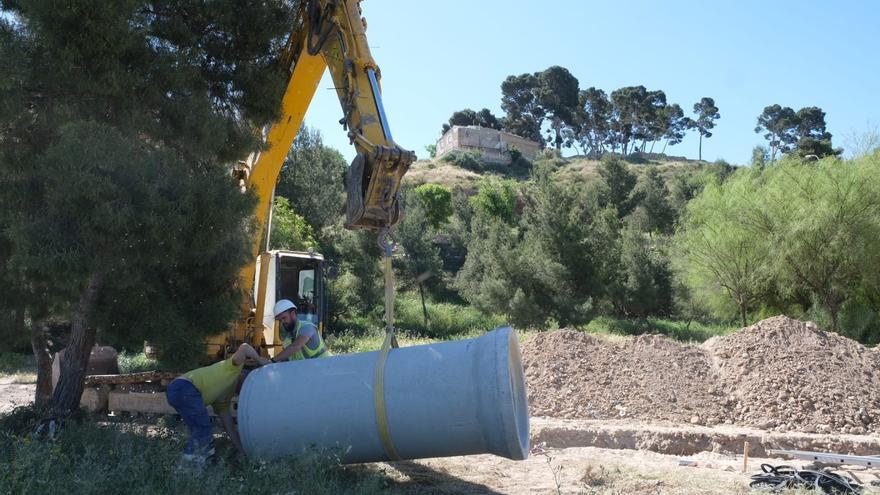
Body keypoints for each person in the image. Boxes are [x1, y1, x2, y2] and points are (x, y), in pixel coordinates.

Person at [165, 343, 270, 463]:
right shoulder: (233, 368)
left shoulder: (224, 399)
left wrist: (243, 451)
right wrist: (260, 360)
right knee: (203, 429)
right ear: (242, 376)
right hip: (184, 386)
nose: (245, 390)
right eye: (247, 384)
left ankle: (197, 463)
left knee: (199, 431)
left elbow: (229, 427)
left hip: (179, 393)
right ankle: (188, 465)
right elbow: (245, 347)